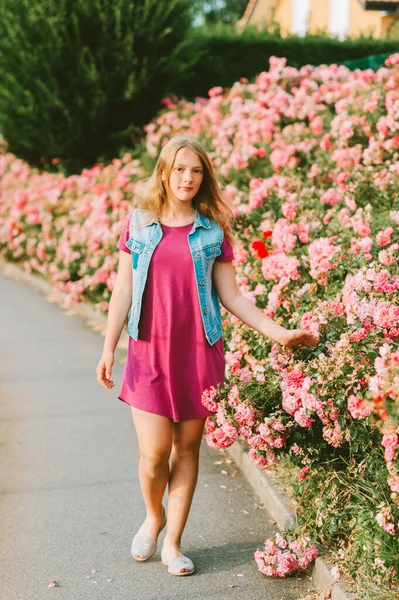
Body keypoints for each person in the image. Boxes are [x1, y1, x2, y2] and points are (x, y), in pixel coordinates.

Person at [96, 135, 319, 577]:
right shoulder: (138, 224)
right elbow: (122, 290)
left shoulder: (212, 231)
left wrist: (280, 333)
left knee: (187, 448)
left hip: (198, 352)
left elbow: (232, 296)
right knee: (154, 455)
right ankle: (154, 516)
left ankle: (174, 542)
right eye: (180, 169)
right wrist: (107, 347)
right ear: (164, 172)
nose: (188, 178)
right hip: (148, 351)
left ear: (204, 177)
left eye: (196, 171)